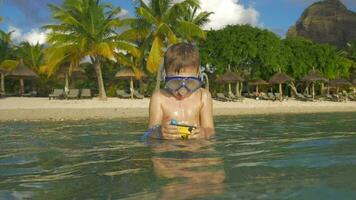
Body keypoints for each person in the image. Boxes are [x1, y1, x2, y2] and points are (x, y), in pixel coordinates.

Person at [148, 43, 214, 139]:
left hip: (195, 150)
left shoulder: (203, 96)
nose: (182, 91)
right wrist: (159, 132)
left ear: (198, 76)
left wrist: (204, 133)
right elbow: (150, 132)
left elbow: (210, 130)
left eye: (191, 83)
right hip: (168, 149)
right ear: (165, 77)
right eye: (175, 83)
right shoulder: (159, 97)